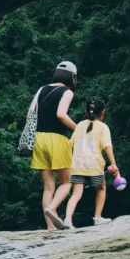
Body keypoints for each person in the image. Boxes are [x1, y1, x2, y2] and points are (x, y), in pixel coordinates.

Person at [30, 62, 77, 230]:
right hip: (57, 138)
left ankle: (50, 228)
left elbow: (30, 114)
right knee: (67, 182)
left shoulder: (41, 89)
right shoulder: (67, 91)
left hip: (39, 139)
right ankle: (52, 208)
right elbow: (61, 115)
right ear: (72, 77)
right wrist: (78, 129)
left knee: (48, 188)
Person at [65, 99, 117, 228]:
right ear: (103, 111)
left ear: (86, 111)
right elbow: (107, 146)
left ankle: (67, 220)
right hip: (94, 165)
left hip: (77, 165)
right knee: (101, 188)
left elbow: (70, 144)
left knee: (76, 193)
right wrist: (113, 163)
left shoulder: (80, 125)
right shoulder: (103, 127)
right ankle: (97, 218)